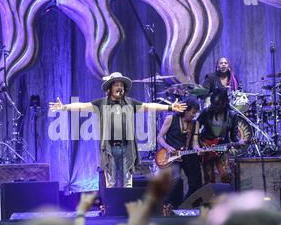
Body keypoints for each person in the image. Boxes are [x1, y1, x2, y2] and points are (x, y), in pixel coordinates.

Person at [49, 72, 187, 188]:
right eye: (116, 84)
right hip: (110, 147)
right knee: (111, 181)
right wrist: (64, 107)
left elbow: (148, 106)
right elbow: (82, 106)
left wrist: (170, 107)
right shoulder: (101, 104)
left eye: (121, 85)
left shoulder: (130, 103)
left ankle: (125, 209)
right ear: (110, 88)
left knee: (127, 181)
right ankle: (111, 209)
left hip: (127, 147)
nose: (119, 87)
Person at [157, 96, 202, 208]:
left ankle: (184, 205)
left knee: (196, 182)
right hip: (171, 155)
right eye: (192, 112)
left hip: (186, 154)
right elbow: (160, 137)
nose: (194, 115)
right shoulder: (171, 119)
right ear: (185, 110)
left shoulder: (195, 123)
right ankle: (167, 205)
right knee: (176, 179)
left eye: (195, 113)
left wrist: (197, 148)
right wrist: (167, 147)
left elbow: (195, 142)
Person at [198, 88, 241, 184]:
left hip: (222, 148)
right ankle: (210, 198)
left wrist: (239, 143)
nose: (214, 107)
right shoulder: (206, 112)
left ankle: (226, 198)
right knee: (209, 179)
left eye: (217, 105)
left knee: (227, 176)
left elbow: (234, 138)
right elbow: (195, 131)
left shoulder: (232, 115)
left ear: (225, 103)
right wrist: (202, 143)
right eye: (213, 104)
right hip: (207, 148)